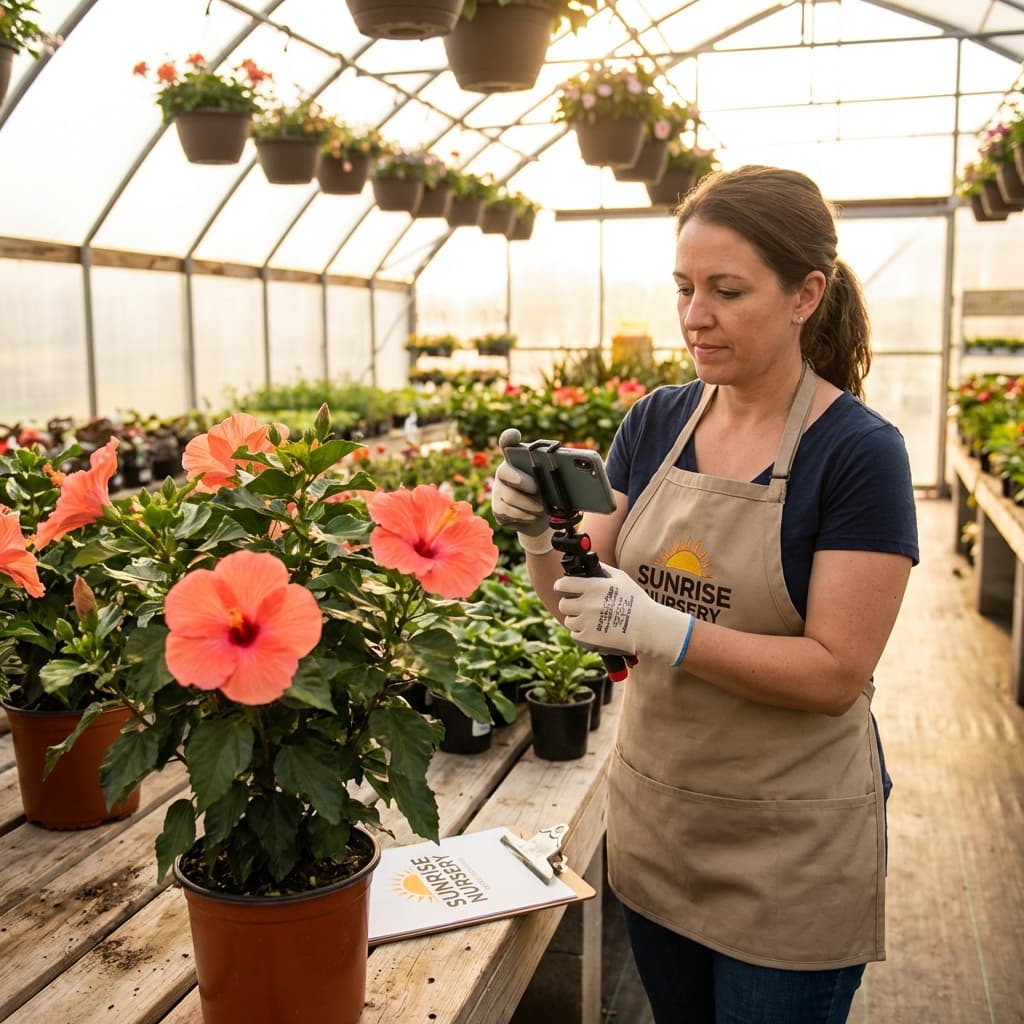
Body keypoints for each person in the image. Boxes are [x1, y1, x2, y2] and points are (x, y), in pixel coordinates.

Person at [491, 164, 919, 1023]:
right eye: (684, 287)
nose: (694, 316)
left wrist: (668, 630)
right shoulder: (656, 421)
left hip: (788, 851)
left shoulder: (858, 453)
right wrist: (539, 534)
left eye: (727, 290)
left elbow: (836, 673)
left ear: (806, 295)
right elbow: (582, 604)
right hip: (661, 824)